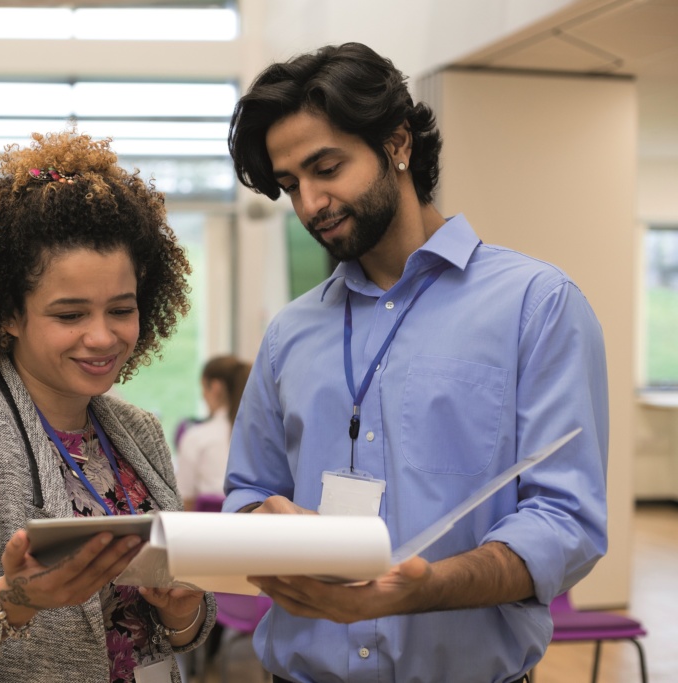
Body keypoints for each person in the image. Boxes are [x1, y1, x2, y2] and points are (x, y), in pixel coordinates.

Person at [223, 42, 609, 683]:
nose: (311, 204)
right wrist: (263, 518)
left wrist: (420, 588)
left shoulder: (536, 306)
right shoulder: (289, 332)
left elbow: (564, 521)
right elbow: (248, 493)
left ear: (397, 142)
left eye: (327, 168)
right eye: (291, 185)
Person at [0, 131, 216, 683]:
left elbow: (175, 627)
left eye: (121, 309)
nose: (102, 337)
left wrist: (181, 609)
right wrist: (10, 603)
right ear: (9, 315)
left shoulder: (139, 434)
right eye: (70, 315)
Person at [175, 355, 250, 510]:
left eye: (203, 387)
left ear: (215, 387)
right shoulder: (261, 435)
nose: (202, 395)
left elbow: (184, 500)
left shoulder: (196, 437)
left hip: (207, 530)